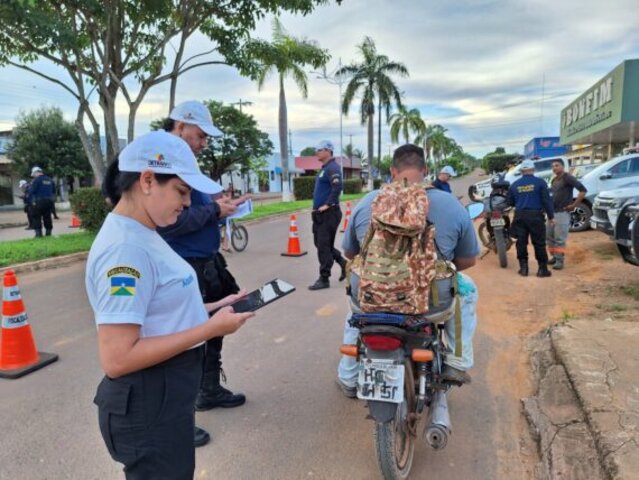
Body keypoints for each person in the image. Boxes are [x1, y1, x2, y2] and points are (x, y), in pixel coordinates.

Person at [87, 130, 253, 479]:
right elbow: (118, 358)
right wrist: (210, 330)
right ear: (147, 180)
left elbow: (156, 309)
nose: (189, 202)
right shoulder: (125, 251)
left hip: (163, 398)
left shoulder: (145, 231)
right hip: (148, 406)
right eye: (182, 191)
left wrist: (213, 306)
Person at [336, 144, 480, 395]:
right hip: (430, 302)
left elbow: (350, 254)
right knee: (466, 290)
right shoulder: (451, 204)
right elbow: (467, 261)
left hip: (373, 298)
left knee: (355, 308)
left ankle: (349, 377)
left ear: (392, 170)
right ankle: (457, 362)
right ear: (425, 170)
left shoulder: (367, 202)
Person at [157, 101, 247, 448]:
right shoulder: (161, 161)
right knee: (185, 342)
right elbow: (173, 221)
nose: (204, 143)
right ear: (180, 126)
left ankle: (208, 390)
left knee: (216, 327)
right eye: (200, 135)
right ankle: (177, 420)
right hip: (183, 264)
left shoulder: (182, 161)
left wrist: (219, 210)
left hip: (205, 262)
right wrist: (212, 210)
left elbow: (193, 211)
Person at [308, 140, 347, 290]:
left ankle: (324, 279)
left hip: (329, 214)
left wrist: (328, 204)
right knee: (321, 244)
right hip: (320, 215)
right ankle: (343, 263)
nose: (317, 152)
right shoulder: (325, 168)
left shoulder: (333, 168)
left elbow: (337, 187)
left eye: (319, 149)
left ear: (328, 151)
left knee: (323, 246)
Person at [507, 159, 555, 278]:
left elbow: (510, 202)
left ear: (522, 170)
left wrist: (521, 201)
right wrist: (551, 216)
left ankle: (524, 269)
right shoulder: (540, 182)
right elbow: (546, 201)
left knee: (521, 242)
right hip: (536, 216)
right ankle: (542, 270)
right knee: (539, 243)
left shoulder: (514, 184)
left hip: (520, 216)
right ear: (533, 169)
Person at [547, 159, 587, 270]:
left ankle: (559, 261)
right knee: (550, 237)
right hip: (552, 213)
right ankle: (555, 257)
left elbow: (583, 190)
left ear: (563, 166)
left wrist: (574, 205)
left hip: (562, 213)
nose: (554, 168)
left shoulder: (567, 177)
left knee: (559, 238)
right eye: (553, 166)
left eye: (557, 165)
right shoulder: (554, 179)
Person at [29, 166, 56, 237]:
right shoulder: (50, 180)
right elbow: (53, 191)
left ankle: (38, 233)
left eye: (33, 174)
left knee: (36, 217)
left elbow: (32, 191)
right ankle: (48, 232)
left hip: (38, 201)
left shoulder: (36, 180)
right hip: (49, 201)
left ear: (36, 172)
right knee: (47, 216)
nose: (33, 176)